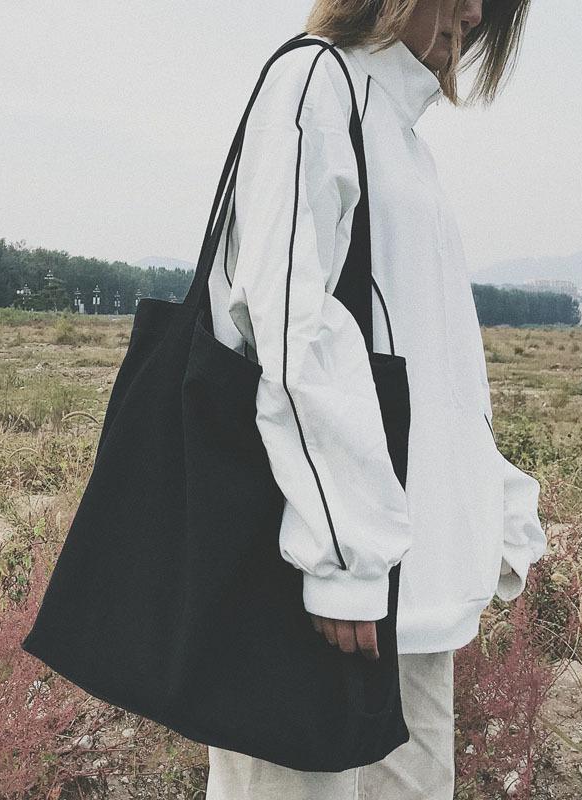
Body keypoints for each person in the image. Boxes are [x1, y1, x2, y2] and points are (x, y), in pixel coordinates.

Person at [204, 1, 546, 797]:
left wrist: (489, 511)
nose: (475, 12)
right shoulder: (315, 83)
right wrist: (344, 562)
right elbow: (289, 328)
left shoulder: (402, 134)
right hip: (316, 594)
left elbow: (435, 366)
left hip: (407, 596)